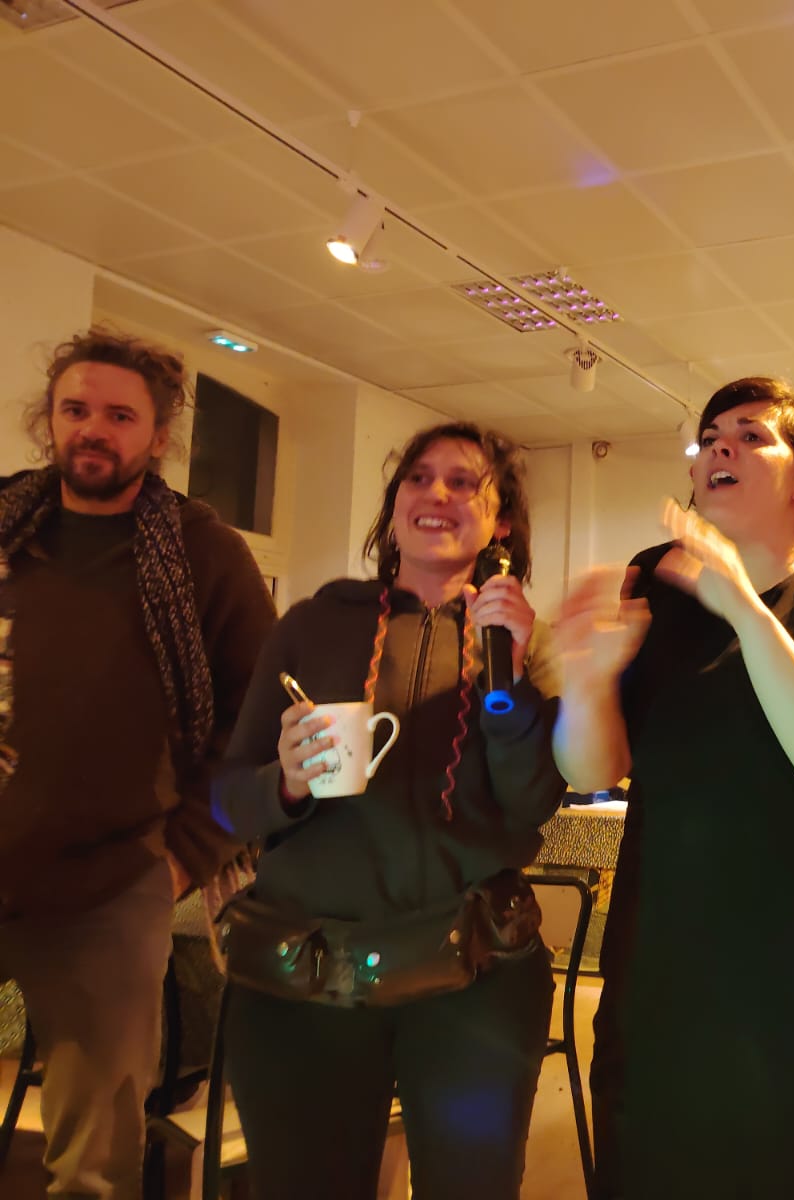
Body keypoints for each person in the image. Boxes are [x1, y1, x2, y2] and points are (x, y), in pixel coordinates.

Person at [554, 377, 794, 1199]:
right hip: (663, 974)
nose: (721, 444)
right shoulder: (654, 596)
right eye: (711, 435)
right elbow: (589, 770)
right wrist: (585, 679)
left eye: (753, 435)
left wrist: (746, 610)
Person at [212, 422, 566, 1200]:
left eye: (464, 482)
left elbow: (534, 803)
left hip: (475, 977)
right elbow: (230, 800)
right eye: (418, 476)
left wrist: (508, 679)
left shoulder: (524, 641)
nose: (436, 493)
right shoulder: (312, 624)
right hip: (304, 981)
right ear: (395, 502)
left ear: (501, 523)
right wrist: (287, 783)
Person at [0, 327, 276, 1199]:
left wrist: (185, 857)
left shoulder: (203, 552)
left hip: (112, 885)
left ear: (159, 436)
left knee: (94, 1161)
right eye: (75, 408)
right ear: (50, 418)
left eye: (120, 416)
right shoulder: (5, 526)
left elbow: (259, 721)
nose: (93, 429)